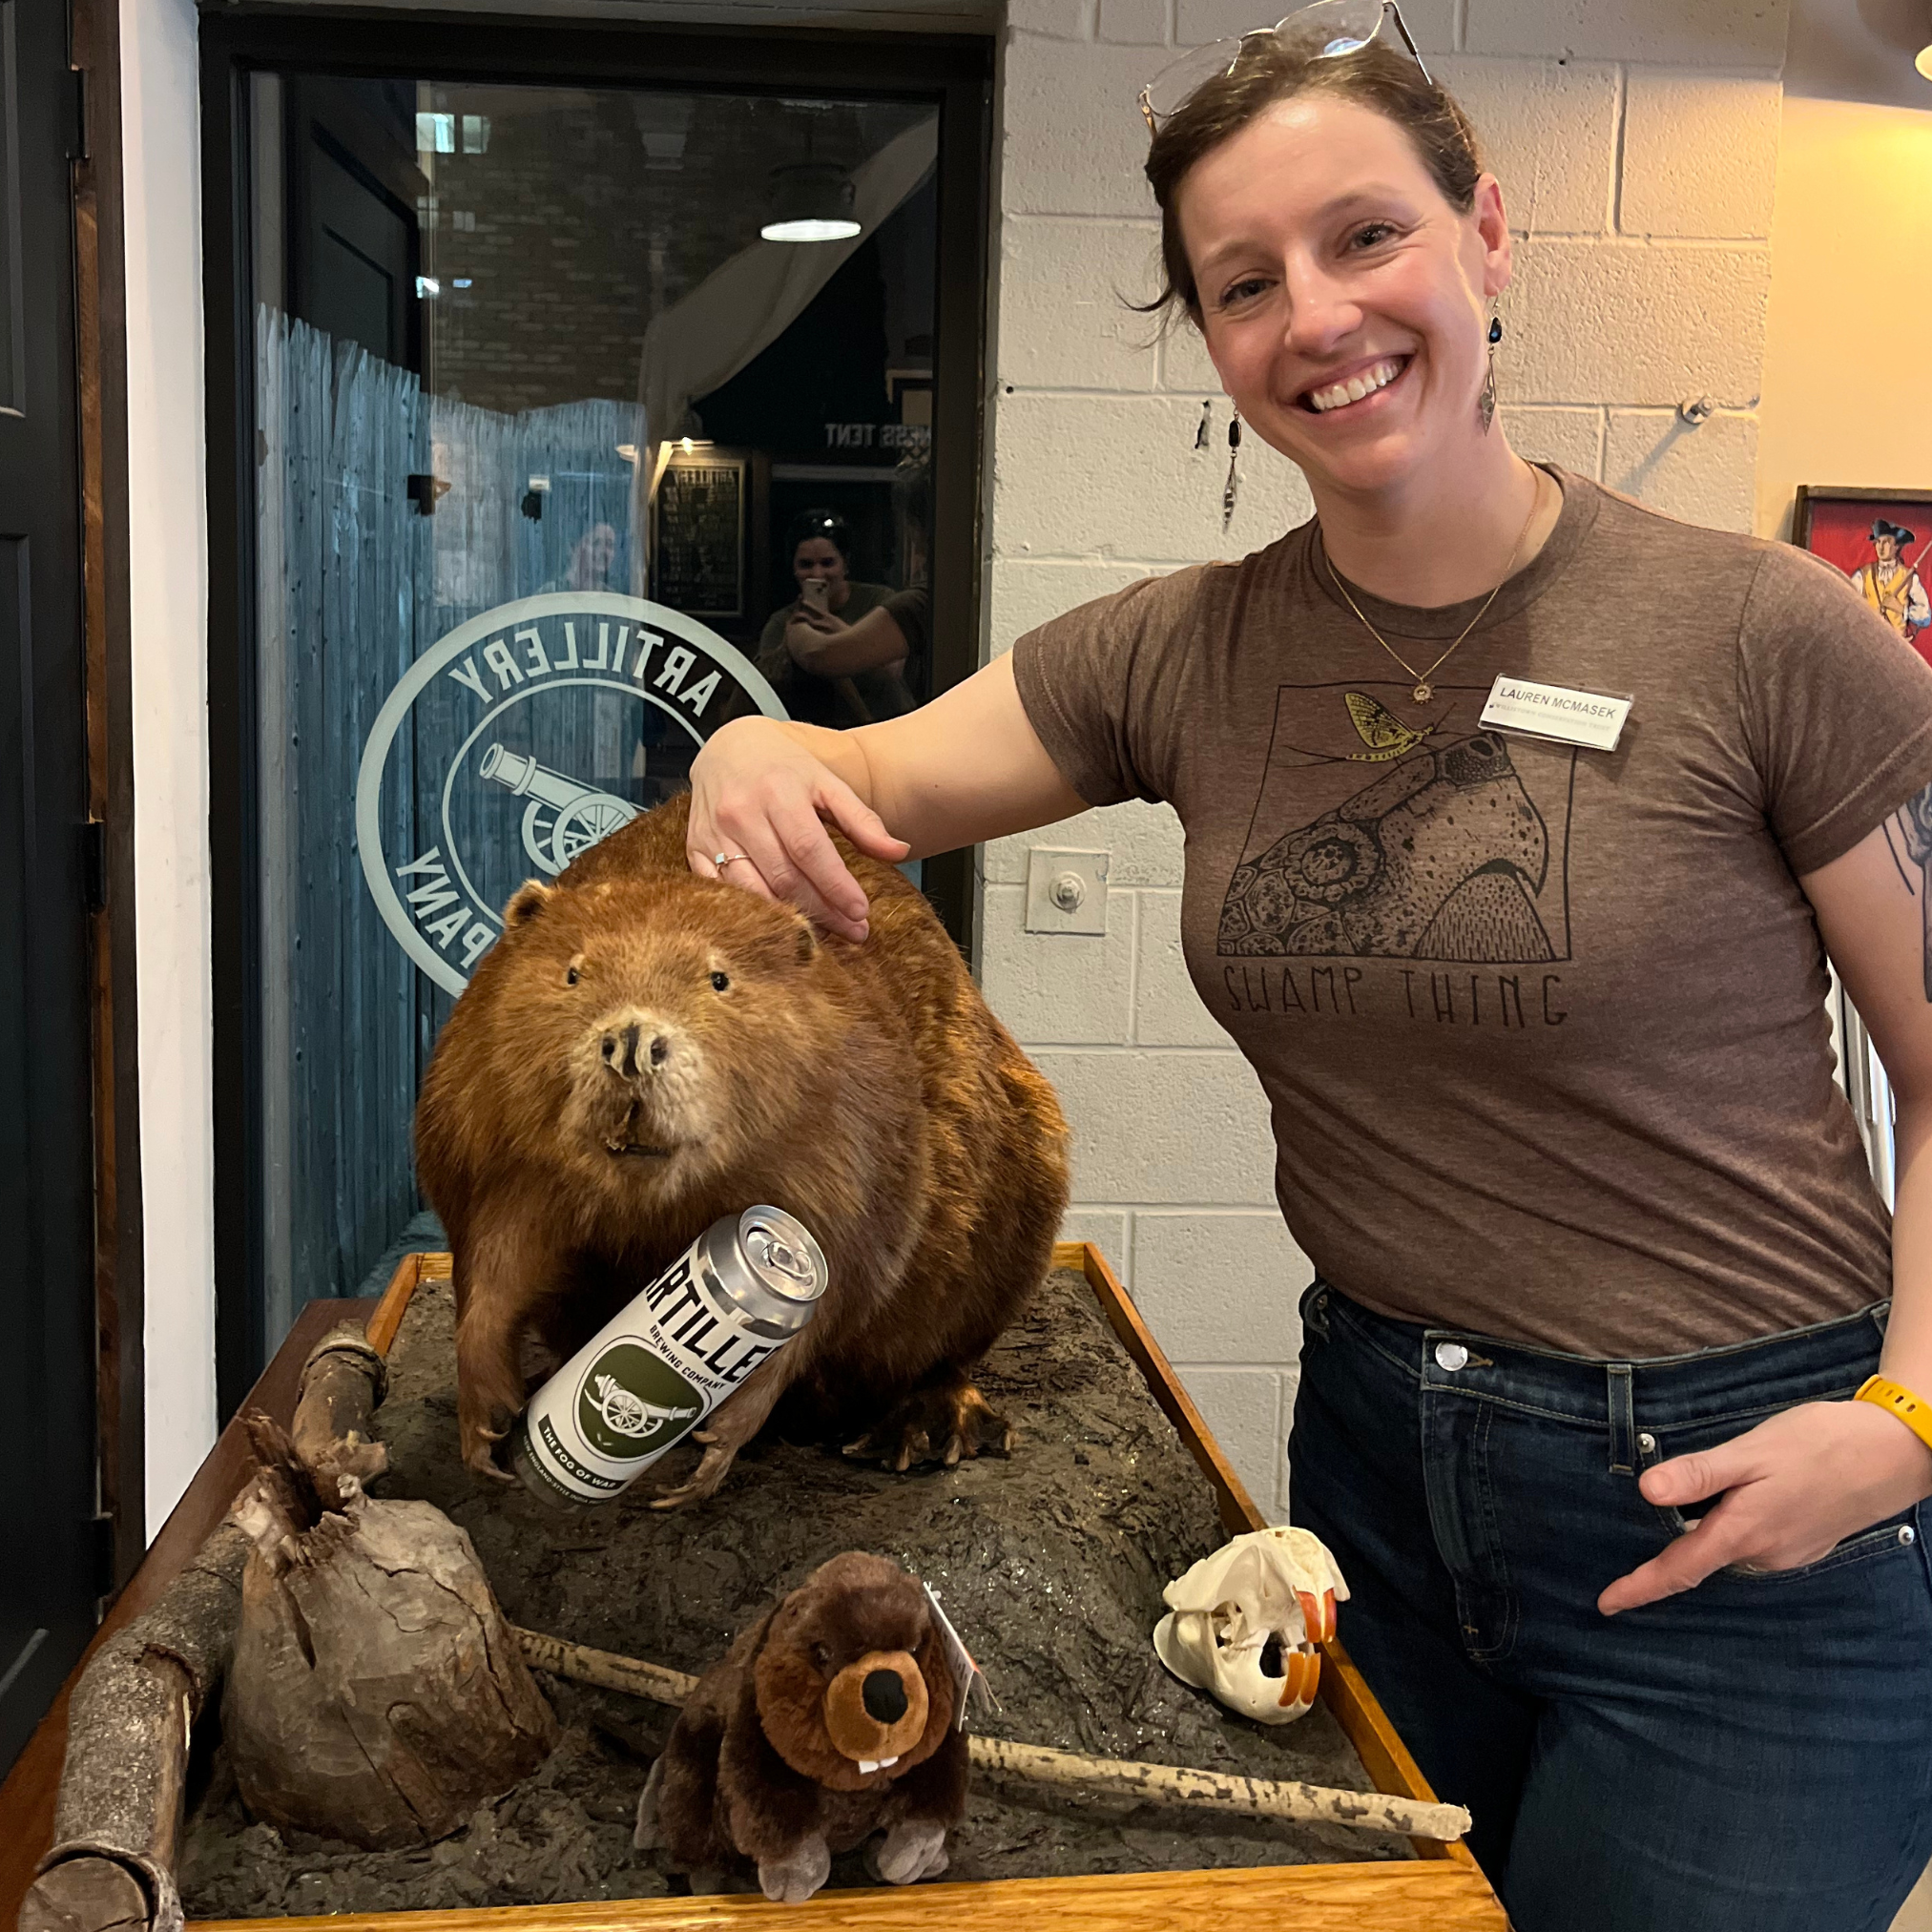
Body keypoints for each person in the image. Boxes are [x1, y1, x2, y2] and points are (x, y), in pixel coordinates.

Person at [683, 12, 1932, 1930]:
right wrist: (752, 749)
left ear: (1486, 237)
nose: (1316, 316)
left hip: (1743, 1512)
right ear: (1207, 338)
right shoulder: (1182, 654)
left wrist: (1902, 1421)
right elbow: (862, 778)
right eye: (1241, 281)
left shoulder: (1754, 630)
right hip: (1372, 1475)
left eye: (1366, 237)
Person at [756, 509, 915, 728]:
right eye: (806, 564)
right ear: (794, 570)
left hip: (883, 725)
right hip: (816, 731)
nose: (817, 574)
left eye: (827, 563)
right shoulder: (782, 622)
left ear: (845, 564)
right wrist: (790, 643)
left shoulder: (878, 601)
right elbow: (762, 687)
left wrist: (840, 633)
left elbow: (893, 669)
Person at [1848, 516, 1931, 661]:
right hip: (1867, 648)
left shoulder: (1909, 577)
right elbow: (1846, 605)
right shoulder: (1862, 574)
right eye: (1878, 542)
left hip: (1898, 652)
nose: (1880, 547)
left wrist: (1902, 609)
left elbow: (1925, 616)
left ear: (1897, 546)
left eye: (1886, 542)